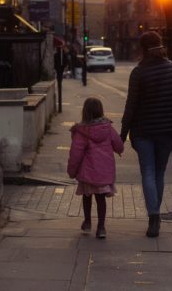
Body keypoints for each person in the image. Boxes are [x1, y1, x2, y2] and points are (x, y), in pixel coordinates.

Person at [120, 31, 172, 238]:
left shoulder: (139, 73)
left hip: (143, 131)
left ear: (142, 49)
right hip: (167, 131)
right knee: (159, 173)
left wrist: (122, 134)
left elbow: (131, 106)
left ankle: (154, 216)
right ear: (160, 46)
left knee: (148, 173)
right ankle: (155, 215)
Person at [67, 97, 124, 239]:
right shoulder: (108, 128)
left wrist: (72, 171)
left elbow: (75, 153)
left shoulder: (81, 131)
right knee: (101, 199)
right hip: (103, 172)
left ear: (84, 112)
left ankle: (87, 222)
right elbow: (119, 146)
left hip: (87, 172)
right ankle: (101, 227)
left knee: (87, 197)